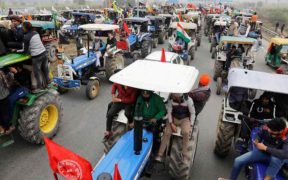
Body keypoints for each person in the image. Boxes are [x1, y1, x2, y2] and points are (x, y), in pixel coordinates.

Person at [219, 118, 288, 180]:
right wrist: (257, 139)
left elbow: (285, 154)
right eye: (269, 130)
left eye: (272, 132)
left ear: (281, 130)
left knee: (277, 159)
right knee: (238, 161)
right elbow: (260, 133)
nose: (269, 131)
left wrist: (265, 148)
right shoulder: (268, 126)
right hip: (263, 152)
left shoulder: (286, 136)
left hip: (276, 157)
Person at [155, 93, 195, 164]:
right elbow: (169, 112)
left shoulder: (189, 100)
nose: (172, 97)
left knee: (186, 132)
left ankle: (184, 155)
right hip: (173, 118)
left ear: (179, 97)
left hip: (184, 119)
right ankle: (160, 155)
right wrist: (171, 123)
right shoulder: (171, 101)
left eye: (174, 96)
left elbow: (192, 113)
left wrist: (191, 125)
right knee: (167, 133)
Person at [18, 22, 49, 93]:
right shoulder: (35, 33)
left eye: (22, 27)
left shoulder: (26, 37)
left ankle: (40, 88)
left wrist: (16, 51)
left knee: (37, 72)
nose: (22, 29)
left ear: (25, 28)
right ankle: (48, 84)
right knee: (45, 70)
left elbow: (24, 50)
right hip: (44, 53)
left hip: (37, 56)